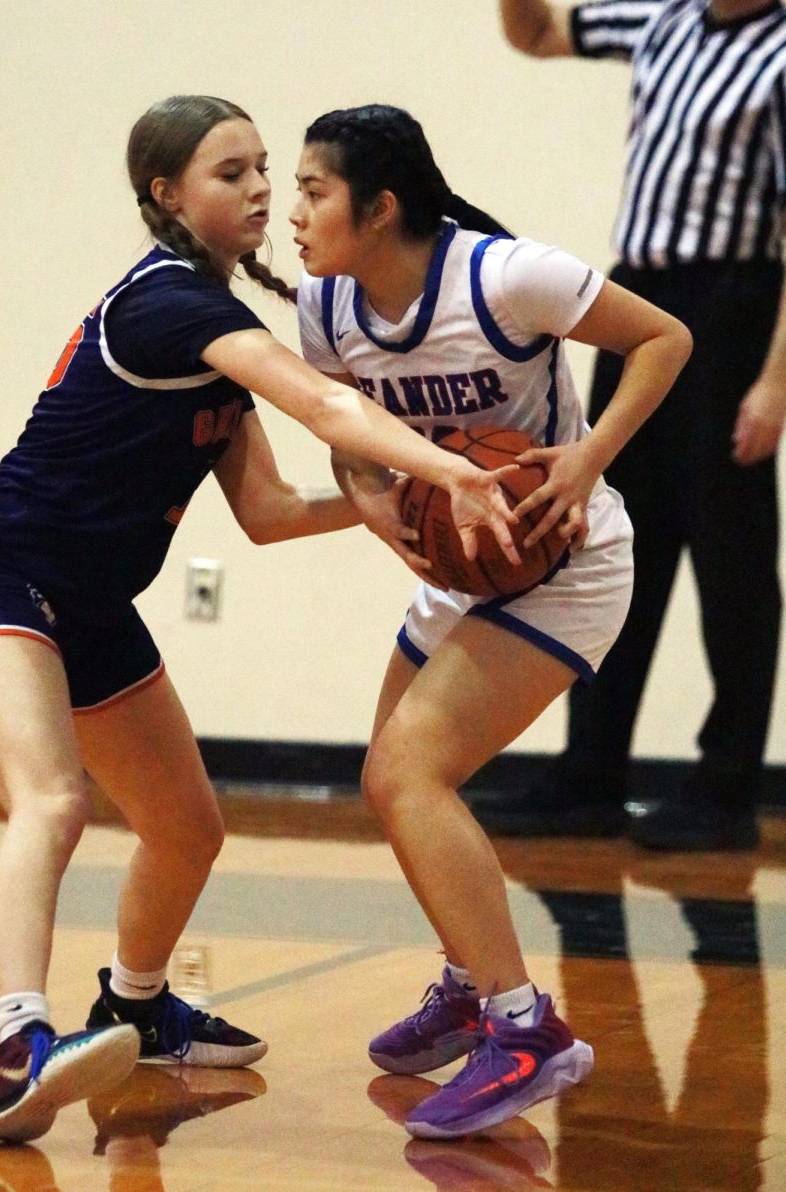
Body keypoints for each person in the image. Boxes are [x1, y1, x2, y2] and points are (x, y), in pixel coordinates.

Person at [0, 94, 529, 1144]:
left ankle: (136, 1007)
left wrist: (380, 507)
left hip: (93, 607)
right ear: (166, 196)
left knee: (188, 828)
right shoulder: (166, 303)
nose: (258, 191)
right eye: (230, 173)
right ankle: (17, 1049)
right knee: (53, 801)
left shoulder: (212, 326)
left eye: (263, 171)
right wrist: (447, 472)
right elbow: (328, 408)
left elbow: (269, 514)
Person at [290, 103, 691, 1138]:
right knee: (396, 774)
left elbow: (663, 338)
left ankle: (526, 1031)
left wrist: (588, 456)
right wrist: (379, 507)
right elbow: (353, 435)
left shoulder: (506, 277)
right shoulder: (325, 309)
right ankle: (471, 985)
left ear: (377, 207)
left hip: (565, 562)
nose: (293, 212)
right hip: (462, 569)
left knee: (403, 773)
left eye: (312, 189)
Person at [475, 0, 786, 850]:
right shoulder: (659, 19)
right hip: (637, 305)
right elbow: (536, 35)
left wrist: (775, 380)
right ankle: (591, 771)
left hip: (732, 306)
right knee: (610, 534)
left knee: (730, 557)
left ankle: (726, 792)